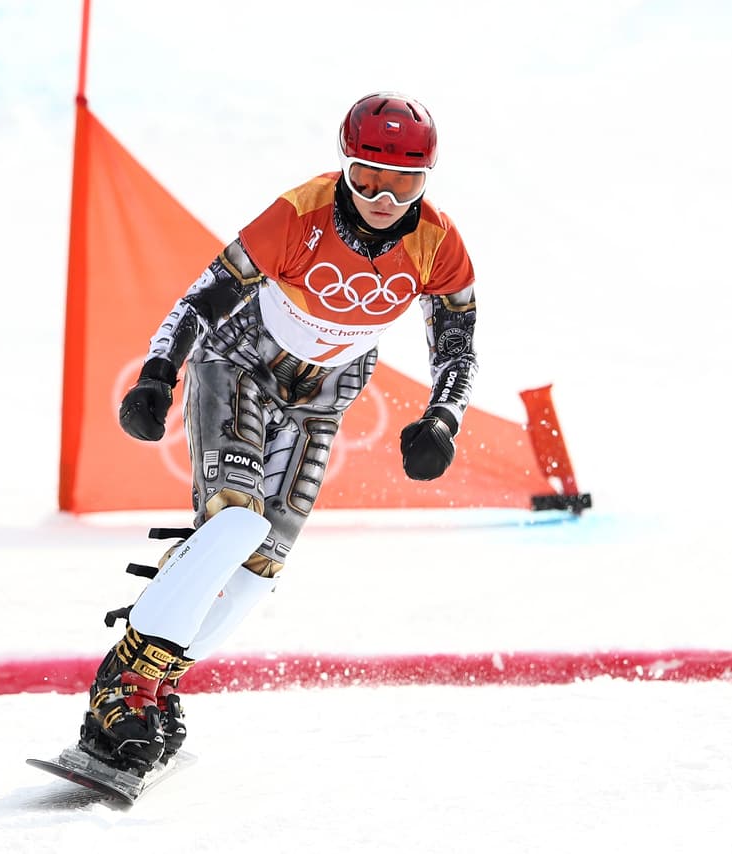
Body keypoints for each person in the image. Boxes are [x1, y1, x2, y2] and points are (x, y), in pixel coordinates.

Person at [77, 92, 479, 774]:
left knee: (260, 565)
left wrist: (442, 419)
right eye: (367, 178)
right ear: (344, 166)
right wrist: (158, 373)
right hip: (241, 362)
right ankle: (124, 687)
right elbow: (205, 296)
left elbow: (457, 346)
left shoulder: (438, 242)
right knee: (234, 521)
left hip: (325, 393)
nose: (384, 199)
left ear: (427, 181)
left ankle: (162, 682)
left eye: (404, 183)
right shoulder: (299, 215)